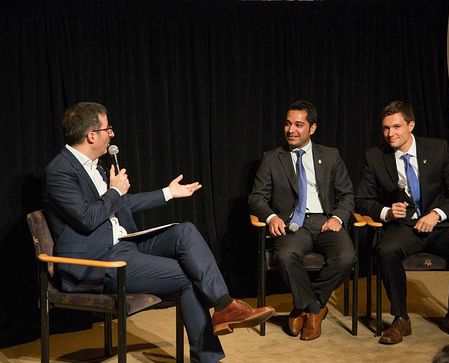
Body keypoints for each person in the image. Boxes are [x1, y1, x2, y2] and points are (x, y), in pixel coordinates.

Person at [43, 102, 275, 363]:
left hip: (124, 244)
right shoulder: (60, 171)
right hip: (97, 262)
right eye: (108, 128)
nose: (113, 134)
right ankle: (209, 356)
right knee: (187, 276)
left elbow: (121, 204)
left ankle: (224, 306)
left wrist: (168, 193)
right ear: (92, 135)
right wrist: (115, 191)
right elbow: (87, 218)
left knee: (184, 231)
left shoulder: (94, 165)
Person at [355, 100, 449, 345]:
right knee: (386, 251)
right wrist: (387, 212)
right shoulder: (375, 156)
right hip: (403, 227)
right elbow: (362, 199)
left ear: (410, 125)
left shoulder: (438, 149)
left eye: (396, 127)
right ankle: (401, 318)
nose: (390, 134)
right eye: (385, 128)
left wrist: (436, 214)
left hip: (440, 226)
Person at [248, 100, 356, 341]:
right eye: (287, 124)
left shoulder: (331, 155)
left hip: (327, 221)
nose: (291, 130)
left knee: (347, 257)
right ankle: (316, 310)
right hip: (293, 224)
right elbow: (256, 198)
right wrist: (271, 216)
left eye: (298, 124)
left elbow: (347, 194)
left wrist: (338, 217)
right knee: (286, 256)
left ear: (312, 128)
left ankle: (306, 305)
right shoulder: (272, 158)